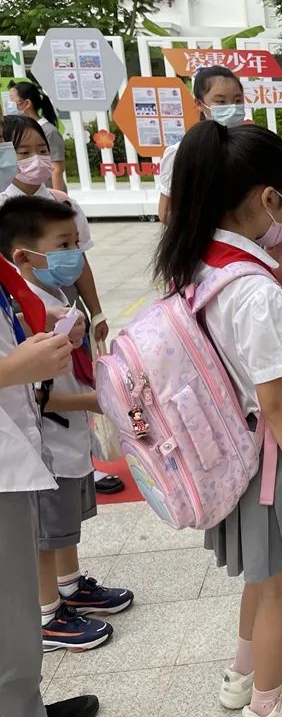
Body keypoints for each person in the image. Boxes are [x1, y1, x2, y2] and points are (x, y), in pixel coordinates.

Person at [155, 121, 282, 717]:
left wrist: (281, 269)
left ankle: (245, 675)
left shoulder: (198, 260)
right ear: (270, 198)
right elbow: (278, 402)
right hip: (269, 458)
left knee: (259, 575)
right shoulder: (253, 290)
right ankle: (270, 700)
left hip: (227, 447)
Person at [0, 196, 135, 652]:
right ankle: (47, 612)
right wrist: (91, 401)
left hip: (65, 432)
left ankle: (71, 586)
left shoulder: (50, 297)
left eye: (76, 242)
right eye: (64, 245)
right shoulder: (24, 305)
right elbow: (33, 392)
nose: (74, 254)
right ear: (24, 256)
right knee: (45, 530)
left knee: (68, 521)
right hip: (43, 440)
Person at [0, 128, 99, 717]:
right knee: (14, 610)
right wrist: (17, 365)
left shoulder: (17, 287)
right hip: (9, 463)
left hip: (20, 454)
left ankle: (25, 703)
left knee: (14, 610)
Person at [0, 114, 121, 494]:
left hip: (58, 306)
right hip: (26, 309)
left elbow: (80, 261)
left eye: (41, 150)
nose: (35, 158)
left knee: (73, 371)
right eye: (23, 152)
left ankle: (88, 458)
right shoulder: (5, 207)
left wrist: (95, 310)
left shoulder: (61, 201)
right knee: (48, 383)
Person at [157, 65, 245, 224]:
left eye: (237, 100)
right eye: (220, 101)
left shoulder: (250, 147)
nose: (231, 107)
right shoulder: (181, 153)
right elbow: (166, 213)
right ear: (199, 103)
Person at [9, 82, 66, 192]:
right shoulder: (16, 131)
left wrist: (57, 200)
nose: (9, 104)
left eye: (12, 100)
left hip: (47, 195)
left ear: (26, 103)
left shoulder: (49, 131)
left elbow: (57, 169)